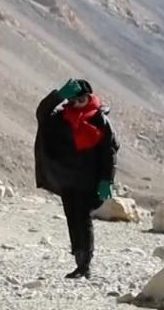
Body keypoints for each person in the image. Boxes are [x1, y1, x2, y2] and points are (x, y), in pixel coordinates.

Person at [34, 78, 119, 279]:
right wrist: (58, 96)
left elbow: (109, 154)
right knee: (72, 216)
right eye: (74, 100)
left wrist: (107, 180)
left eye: (82, 99)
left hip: (89, 179)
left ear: (90, 97)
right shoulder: (61, 118)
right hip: (67, 178)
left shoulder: (100, 121)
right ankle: (79, 258)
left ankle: (85, 263)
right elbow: (42, 113)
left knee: (82, 218)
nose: (78, 103)